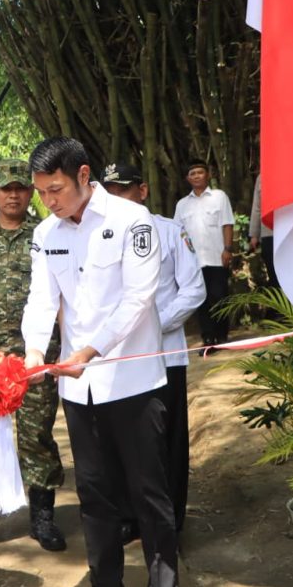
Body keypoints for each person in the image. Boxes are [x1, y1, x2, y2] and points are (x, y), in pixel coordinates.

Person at [22, 138, 178, 587]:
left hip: (132, 381)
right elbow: (41, 298)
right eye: (41, 193)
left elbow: (138, 298)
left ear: (84, 176)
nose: (49, 201)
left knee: (148, 493)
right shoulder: (46, 234)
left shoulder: (131, 220)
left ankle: (164, 581)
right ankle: (105, 581)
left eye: (56, 189)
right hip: (78, 388)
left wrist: (91, 351)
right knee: (94, 494)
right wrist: (35, 350)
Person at [0, 159, 65, 555]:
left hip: (35, 355)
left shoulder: (47, 235)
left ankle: (43, 519)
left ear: (32, 191)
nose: (14, 195)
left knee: (37, 434)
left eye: (21, 188)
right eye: (6, 188)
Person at [102, 162, 206, 540]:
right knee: (123, 441)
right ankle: (130, 517)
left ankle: (170, 523)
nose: (116, 198)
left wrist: (149, 327)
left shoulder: (170, 231)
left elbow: (193, 290)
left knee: (168, 442)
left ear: (142, 191)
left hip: (164, 356)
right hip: (116, 360)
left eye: (123, 190)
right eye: (110, 192)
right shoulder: (98, 236)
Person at [173, 159, 235, 350]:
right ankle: (208, 339)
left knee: (220, 296)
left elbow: (227, 224)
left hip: (217, 257)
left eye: (200, 172)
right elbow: (178, 232)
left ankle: (222, 336)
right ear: (187, 179)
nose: (196, 176)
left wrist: (228, 249)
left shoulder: (219, 196)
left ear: (208, 174)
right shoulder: (182, 204)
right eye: (192, 174)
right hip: (194, 261)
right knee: (201, 300)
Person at [248, 174, 278, 287]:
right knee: (273, 270)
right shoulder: (262, 177)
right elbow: (257, 207)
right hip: (268, 232)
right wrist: (254, 234)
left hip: (290, 232)